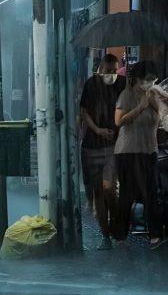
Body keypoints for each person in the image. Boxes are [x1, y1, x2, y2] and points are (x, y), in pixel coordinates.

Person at [114, 61, 164, 249]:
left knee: (151, 193)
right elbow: (119, 121)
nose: (150, 83)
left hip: (149, 150)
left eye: (153, 79)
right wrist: (140, 107)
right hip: (128, 151)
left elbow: (161, 117)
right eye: (147, 79)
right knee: (128, 194)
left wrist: (155, 102)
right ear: (137, 79)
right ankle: (120, 234)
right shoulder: (127, 95)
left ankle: (155, 235)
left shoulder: (153, 95)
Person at [80, 54, 125, 250]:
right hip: (92, 145)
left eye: (115, 71)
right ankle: (105, 235)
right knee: (98, 191)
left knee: (109, 188)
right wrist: (97, 130)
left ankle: (115, 221)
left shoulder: (123, 83)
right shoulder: (91, 84)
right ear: (100, 69)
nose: (112, 75)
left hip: (113, 145)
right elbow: (83, 111)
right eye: (108, 71)